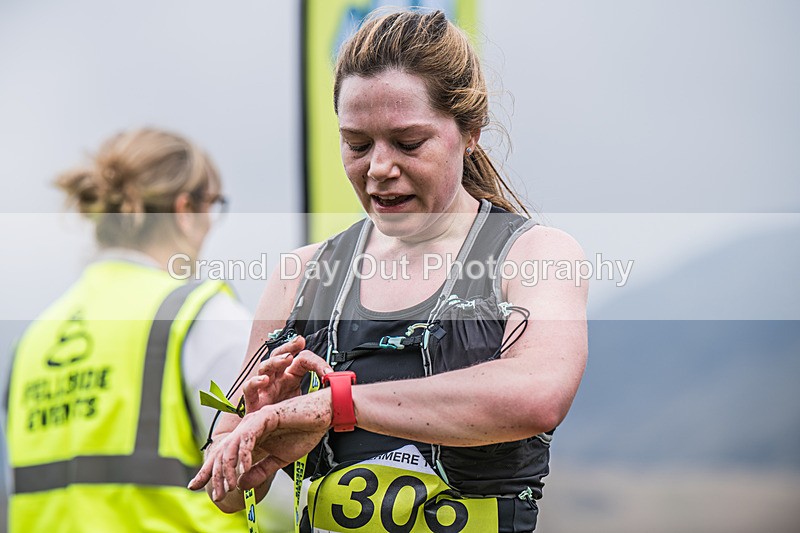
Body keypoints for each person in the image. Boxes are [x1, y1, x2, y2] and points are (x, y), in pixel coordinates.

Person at [189, 9, 588, 533]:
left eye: (407, 143)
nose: (378, 167)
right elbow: (231, 493)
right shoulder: (303, 274)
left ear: (470, 131)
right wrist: (253, 443)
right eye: (357, 145)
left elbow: (537, 395)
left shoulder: (532, 254)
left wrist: (334, 406)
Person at [4, 127, 254, 532]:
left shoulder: (32, 340)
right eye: (213, 205)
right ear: (185, 210)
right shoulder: (199, 316)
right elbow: (275, 483)